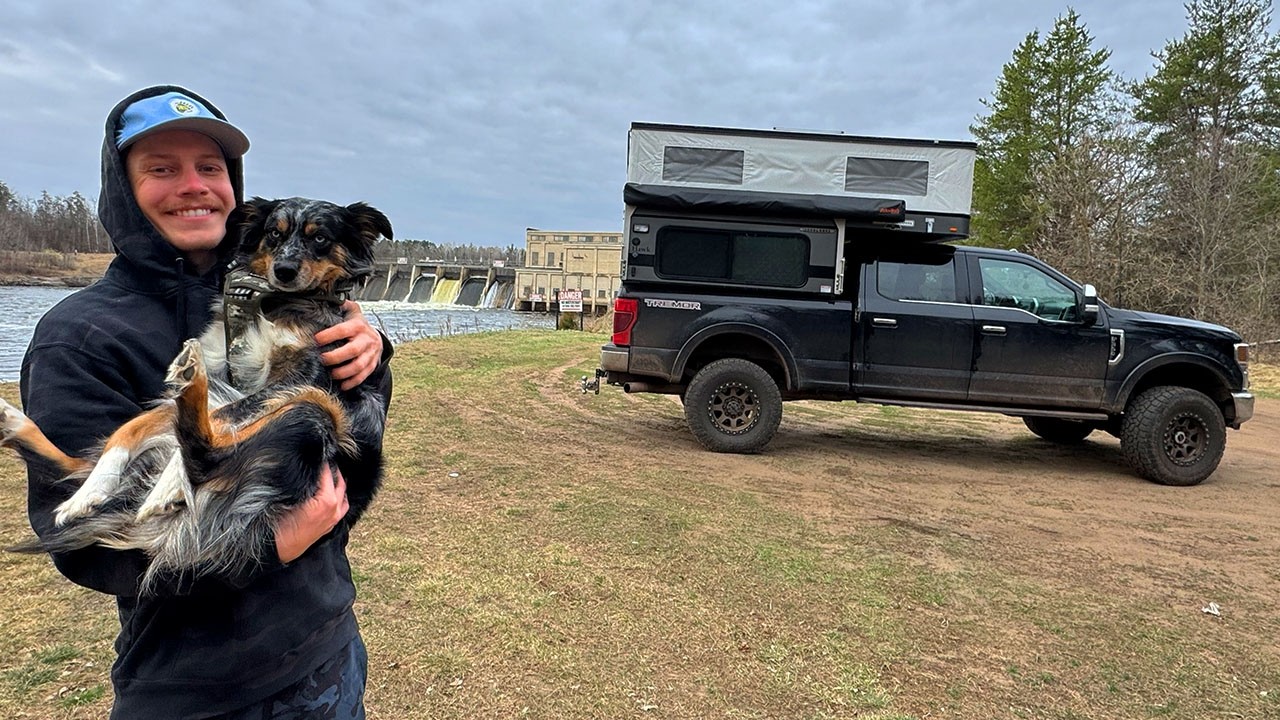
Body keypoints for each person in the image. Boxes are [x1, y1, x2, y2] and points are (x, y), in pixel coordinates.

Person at [21, 85, 392, 719]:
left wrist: (374, 355)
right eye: (162, 169)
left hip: (326, 646)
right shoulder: (78, 337)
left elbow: (347, 431)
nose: (193, 186)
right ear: (123, 189)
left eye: (210, 168)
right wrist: (271, 547)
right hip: (197, 691)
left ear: (233, 184)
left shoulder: (265, 292)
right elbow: (81, 541)